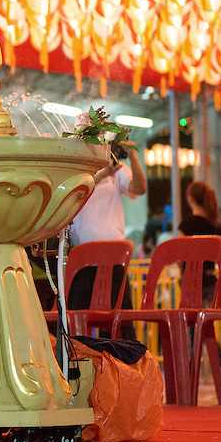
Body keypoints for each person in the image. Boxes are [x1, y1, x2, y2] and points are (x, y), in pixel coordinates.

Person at [68, 141, 147, 340]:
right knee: (77, 322)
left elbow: (139, 189)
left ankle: (128, 365)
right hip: (83, 261)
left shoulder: (118, 171)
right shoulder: (76, 172)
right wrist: (104, 173)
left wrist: (133, 156)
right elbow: (81, 188)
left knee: (122, 321)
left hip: (114, 260)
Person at [179, 180, 221, 388]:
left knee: (195, 330)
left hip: (192, 284)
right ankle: (220, 369)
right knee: (203, 329)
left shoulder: (187, 226)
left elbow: (179, 256)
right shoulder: (216, 227)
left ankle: (190, 377)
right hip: (211, 282)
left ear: (190, 199)